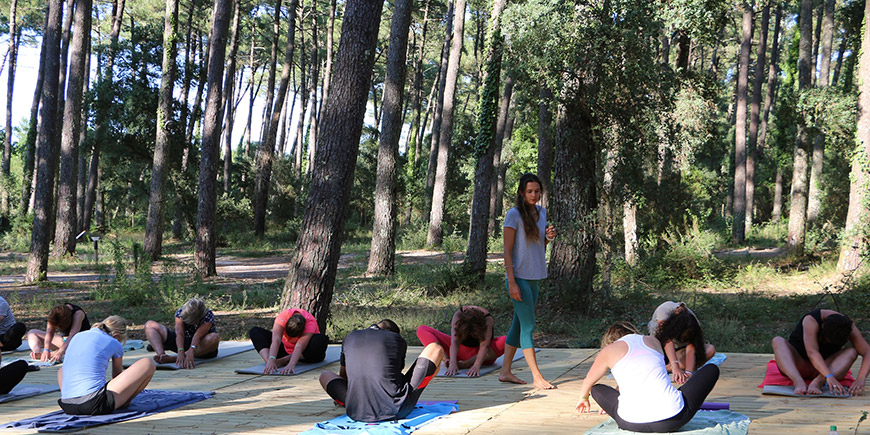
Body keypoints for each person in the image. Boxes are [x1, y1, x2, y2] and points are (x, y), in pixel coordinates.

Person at [576, 322, 720, 432]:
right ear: (634, 332)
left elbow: (588, 381)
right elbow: (646, 373)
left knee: (596, 389)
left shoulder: (608, 350)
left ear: (609, 341)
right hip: (673, 419)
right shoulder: (652, 341)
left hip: (629, 422)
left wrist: (584, 398)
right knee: (711, 369)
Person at [319, 319, 444, 422]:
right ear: (394, 333)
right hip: (396, 409)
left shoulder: (350, 337)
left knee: (325, 375)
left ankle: (350, 402)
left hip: (356, 410)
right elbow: (397, 373)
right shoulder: (397, 339)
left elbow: (344, 376)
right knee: (435, 348)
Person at [500, 173, 557, 389]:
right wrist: (511, 281)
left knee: (518, 324)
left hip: (535, 277)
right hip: (518, 277)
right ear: (522, 193)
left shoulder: (542, 213)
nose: (534, 195)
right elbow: (506, 251)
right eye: (530, 191)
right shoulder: (513, 215)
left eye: (537, 191)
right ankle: (536, 377)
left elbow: (538, 246)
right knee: (529, 325)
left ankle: (505, 371)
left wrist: (548, 238)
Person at [57, 316, 156, 415]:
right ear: (116, 335)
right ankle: (125, 402)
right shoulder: (113, 342)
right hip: (93, 404)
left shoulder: (78, 336)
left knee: (62, 370)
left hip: (67, 405)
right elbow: (117, 376)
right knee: (148, 363)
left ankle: (72, 396)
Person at [771, 308, 870, 396]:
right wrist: (829, 376)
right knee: (778, 341)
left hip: (826, 368)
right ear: (822, 326)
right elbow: (812, 353)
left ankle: (817, 382)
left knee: (852, 351)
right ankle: (798, 382)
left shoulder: (849, 327)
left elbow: (867, 352)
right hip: (800, 364)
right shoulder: (811, 320)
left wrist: (861, 379)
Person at [416, 305, 506, 377]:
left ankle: (467, 363)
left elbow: (484, 345)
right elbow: (454, 341)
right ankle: (444, 358)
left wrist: (476, 365)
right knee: (422, 329)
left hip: (481, 356)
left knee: (506, 340)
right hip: (458, 352)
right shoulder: (458, 315)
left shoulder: (487, 319)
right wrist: (452, 363)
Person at [143, 298, 220, 369]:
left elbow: (198, 335)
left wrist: (191, 350)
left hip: (200, 346)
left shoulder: (207, 314)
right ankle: (162, 356)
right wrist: (180, 350)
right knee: (149, 325)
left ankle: (173, 358)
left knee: (214, 337)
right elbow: (179, 333)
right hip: (184, 342)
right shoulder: (180, 312)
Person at [649, 302, 716, 383]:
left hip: (679, 353)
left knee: (710, 349)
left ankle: (667, 368)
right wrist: (675, 365)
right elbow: (667, 340)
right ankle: (664, 367)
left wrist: (689, 372)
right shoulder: (663, 311)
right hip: (659, 350)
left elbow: (691, 347)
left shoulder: (693, 322)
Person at [248, 308, 329, 375]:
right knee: (255, 331)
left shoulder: (310, 323)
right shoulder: (282, 317)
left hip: (304, 354)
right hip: (285, 349)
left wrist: (291, 364)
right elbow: (276, 340)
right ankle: (272, 363)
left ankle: (284, 360)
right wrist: (271, 359)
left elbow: (299, 346)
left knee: (321, 339)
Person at [26, 303, 91, 363]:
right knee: (32, 333)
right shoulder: (55, 314)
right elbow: (49, 332)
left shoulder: (78, 314)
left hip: (80, 343)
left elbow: (72, 336)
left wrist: (60, 352)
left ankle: (54, 354)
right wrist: (46, 349)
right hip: (64, 341)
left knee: (72, 348)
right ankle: (38, 353)